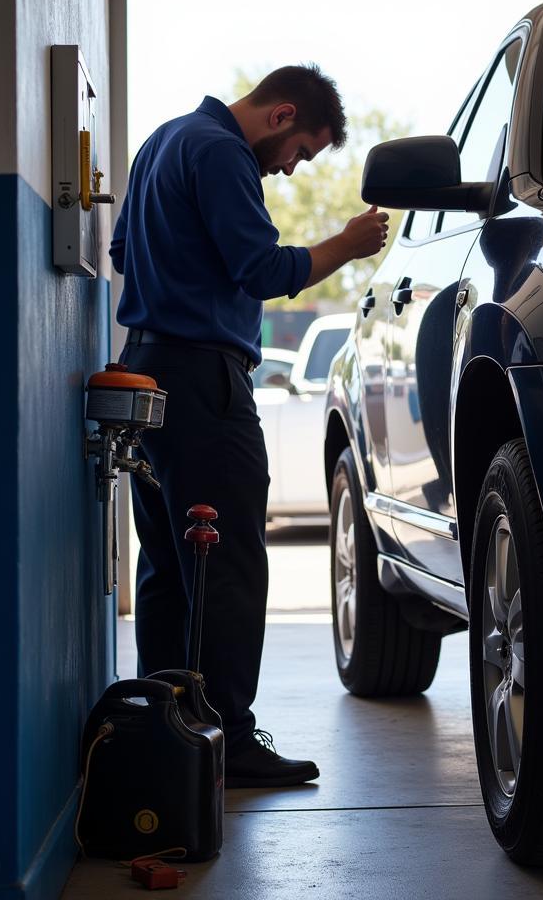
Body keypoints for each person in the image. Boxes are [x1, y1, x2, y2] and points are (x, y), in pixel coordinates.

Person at [109, 65, 387, 787]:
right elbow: (263, 268)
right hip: (204, 380)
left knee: (171, 563)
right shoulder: (222, 151)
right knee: (228, 561)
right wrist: (346, 245)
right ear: (281, 114)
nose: (292, 168)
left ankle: (171, 723)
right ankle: (228, 738)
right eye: (301, 151)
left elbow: (119, 254)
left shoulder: (160, 142)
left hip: (145, 373)